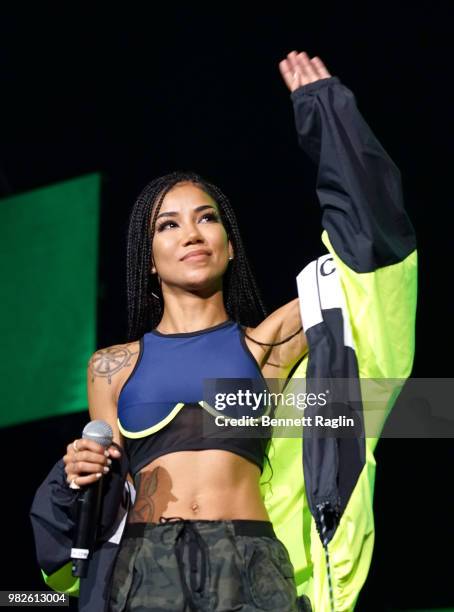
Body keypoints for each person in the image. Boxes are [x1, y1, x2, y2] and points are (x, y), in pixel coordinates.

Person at [30, 49, 417, 612]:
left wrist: (329, 117)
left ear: (229, 246)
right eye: (170, 224)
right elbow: (108, 493)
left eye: (207, 217)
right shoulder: (112, 366)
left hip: (249, 564)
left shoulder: (272, 344)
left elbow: (370, 260)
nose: (192, 233)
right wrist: (79, 471)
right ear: (151, 258)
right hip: (143, 570)